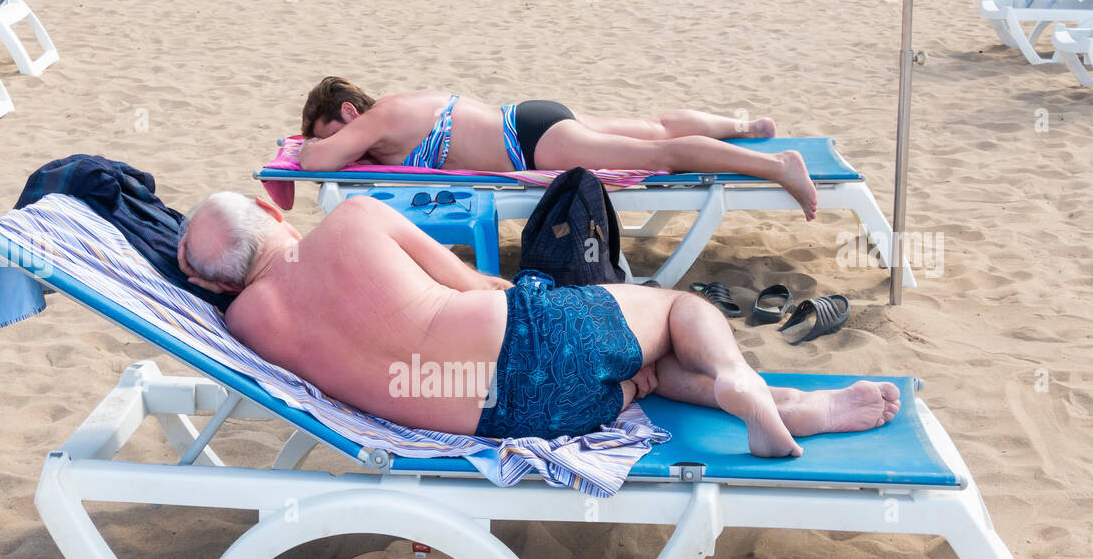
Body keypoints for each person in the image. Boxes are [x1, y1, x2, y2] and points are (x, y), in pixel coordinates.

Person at [176, 191, 898, 454]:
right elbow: (474, 283)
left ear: (212, 283)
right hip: (527, 336)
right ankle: (741, 381)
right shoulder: (354, 219)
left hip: (524, 418)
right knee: (681, 309)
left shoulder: (246, 325)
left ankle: (789, 406)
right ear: (269, 212)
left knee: (646, 369)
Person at [297, 77, 819, 219]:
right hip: (530, 119)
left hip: (532, 143)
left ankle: (777, 164)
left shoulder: (377, 118)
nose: (333, 142)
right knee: (655, 128)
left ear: (348, 113)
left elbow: (317, 161)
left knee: (662, 156)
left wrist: (308, 147)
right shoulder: (396, 112)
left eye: (330, 130)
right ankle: (746, 125)